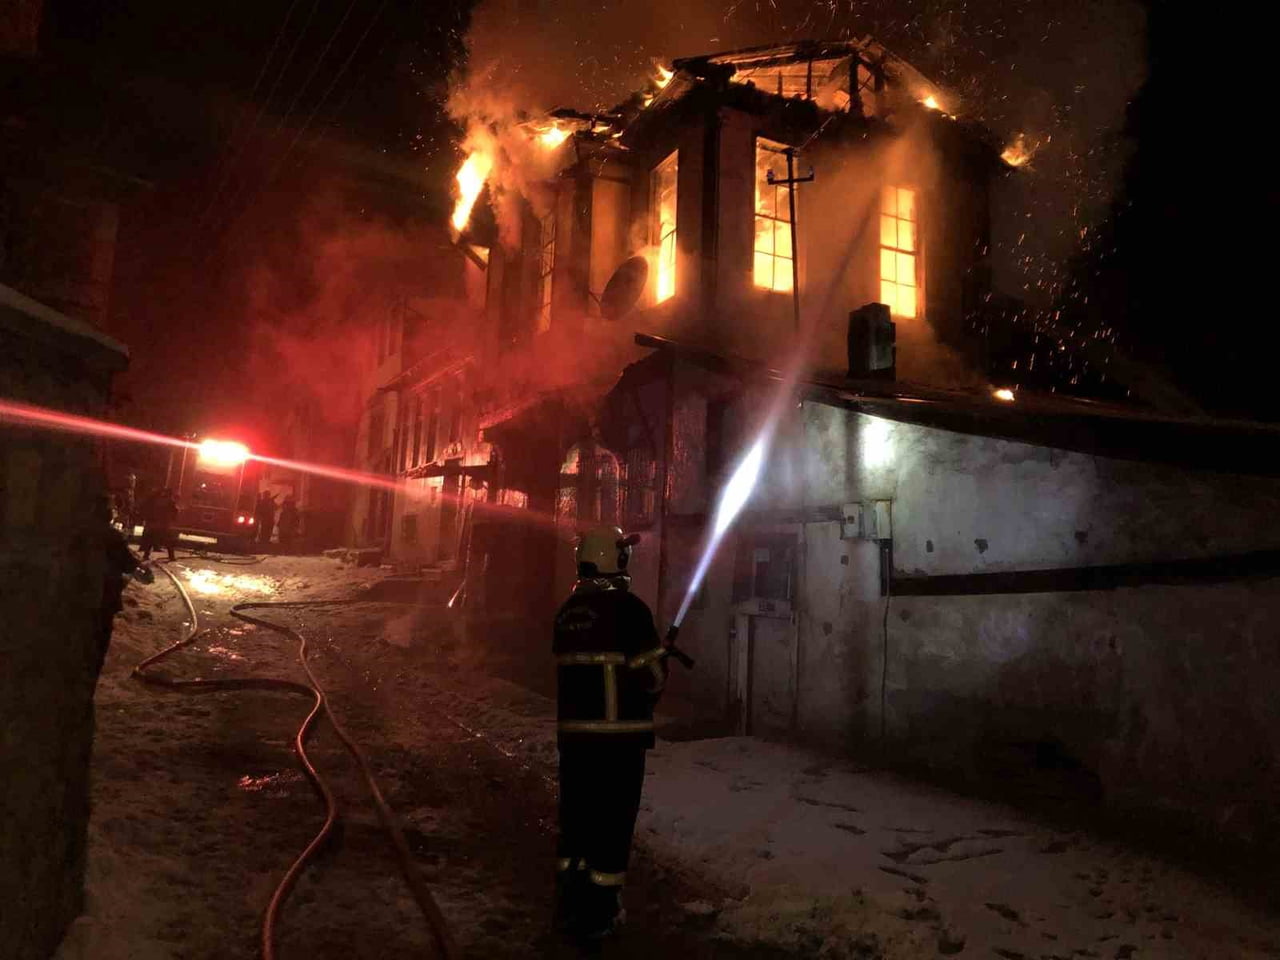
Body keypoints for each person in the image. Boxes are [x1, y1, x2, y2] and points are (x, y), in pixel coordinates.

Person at [553, 526, 669, 940]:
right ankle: (600, 914)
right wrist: (659, 662)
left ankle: (569, 900)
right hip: (618, 741)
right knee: (611, 824)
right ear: (615, 560)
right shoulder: (629, 610)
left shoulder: (567, 612)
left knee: (577, 819)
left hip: (574, 740)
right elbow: (652, 677)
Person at [96, 496, 152, 678]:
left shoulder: (72, 533)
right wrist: (141, 569)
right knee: (96, 645)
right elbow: (127, 563)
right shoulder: (111, 537)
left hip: (75, 599)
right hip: (103, 598)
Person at [139, 487, 178, 561]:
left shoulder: (156, 500)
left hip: (154, 524)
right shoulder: (170, 501)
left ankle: (146, 555)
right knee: (168, 541)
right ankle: (171, 557)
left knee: (151, 539)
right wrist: (172, 519)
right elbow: (175, 511)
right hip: (163, 524)